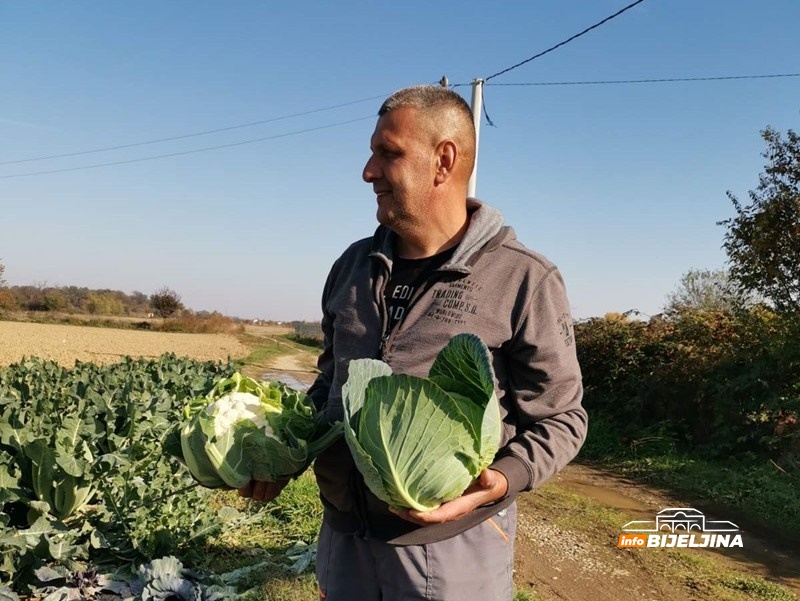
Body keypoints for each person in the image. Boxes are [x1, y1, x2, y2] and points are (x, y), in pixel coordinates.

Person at [239, 85, 587, 601]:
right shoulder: (352, 266)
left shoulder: (523, 278)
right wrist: (285, 456)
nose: (367, 171)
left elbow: (564, 417)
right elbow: (331, 384)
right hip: (344, 538)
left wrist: (501, 479)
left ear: (443, 161)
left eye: (388, 153)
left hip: (451, 548)